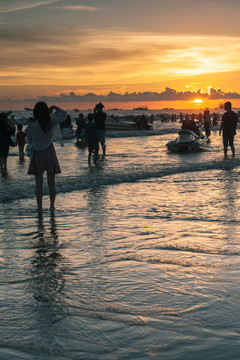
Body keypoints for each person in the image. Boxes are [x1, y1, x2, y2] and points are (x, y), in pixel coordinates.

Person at [27, 102, 67, 212]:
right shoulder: (51, 123)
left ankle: (39, 208)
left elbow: (29, 140)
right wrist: (55, 107)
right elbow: (64, 115)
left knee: (38, 184)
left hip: (37, 154)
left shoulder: (32, 126)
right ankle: (51, 206)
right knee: (51, 183)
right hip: (49, 152)